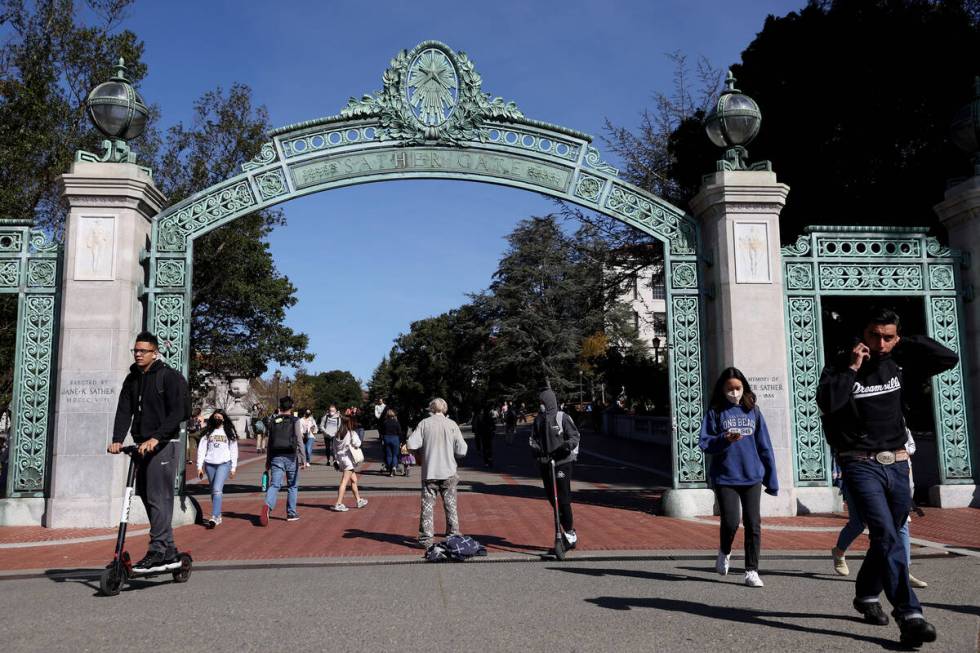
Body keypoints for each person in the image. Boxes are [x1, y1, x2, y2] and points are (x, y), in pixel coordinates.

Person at [817, 307, 956, 646]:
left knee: (888, 536)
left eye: (887, 337)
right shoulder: (841, 366)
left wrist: (902, 342)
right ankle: (910, 615)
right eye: (874, 336)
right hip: (859, 463)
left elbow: (947, 357)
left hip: (896, 462)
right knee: (884, 533)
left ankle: (866, 595)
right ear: (861, 336)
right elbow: (829, 402)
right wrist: (852, 367)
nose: (880, 343)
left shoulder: (899, 362)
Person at [109, 331, 190, 572]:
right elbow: (124, 410)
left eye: (143, 351)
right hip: (141, 444)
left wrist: (157, 437)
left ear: (155, 352)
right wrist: (116, 439)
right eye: (135, 350)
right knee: (146, 495)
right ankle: (168, 548)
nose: (138, 354)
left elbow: (180, 412)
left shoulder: (169, 377)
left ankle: (157, 549)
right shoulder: (132, 378)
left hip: (164, 444)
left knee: (158, 497)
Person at [698, 367, 778, 588]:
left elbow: (765, 446)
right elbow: (705, 442)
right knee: (731, 521)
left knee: (753, 524)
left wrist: (771, 479)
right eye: (730, 389)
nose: (734, 392)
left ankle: (751, 570)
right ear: (722, 390)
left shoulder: (753, 411)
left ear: (744, 388)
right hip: (726, 477)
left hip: (752, 476)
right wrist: (724, 438)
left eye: (738, 388)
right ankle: (724, 550)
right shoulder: (715, 411)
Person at [833, 433, 927, 588]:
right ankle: (839, 552)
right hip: (862, 476)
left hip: (893, 474)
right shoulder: (853, 421)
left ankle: (904, 570)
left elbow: (909, 448)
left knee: (901, 524)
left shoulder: (895, 419)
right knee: (859, 523)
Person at [407, 398, 467, 548]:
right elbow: (462, 450)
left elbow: (411, 444)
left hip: (430, 472)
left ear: (431, 409)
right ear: (445, 409)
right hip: (449, 471)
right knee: (451, 506)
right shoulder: (452, 424)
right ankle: (453, 535)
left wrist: (419, 454)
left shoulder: (424, 424)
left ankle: (426, 539)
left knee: (427, 507)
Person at [529, 389, 581, 551]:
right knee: (553, 499)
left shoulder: (562, 418)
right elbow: (533, 439)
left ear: (549, 402)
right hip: (546, 463)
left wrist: (565, 447)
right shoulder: (538, 420)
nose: (541, 406)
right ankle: (564, 532)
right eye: (540, 403)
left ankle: (570, 533)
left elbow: (574, 436)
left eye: (543, 403)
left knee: (563, 498)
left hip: (562, 462)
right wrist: (537, 449)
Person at [260, 396, 306, 526]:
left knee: (275, 484)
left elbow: (269, 443)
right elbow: (299, 439)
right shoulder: (295, 420)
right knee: (292, 485)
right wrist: (304, 458)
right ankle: (291, 513)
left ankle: (267, 506)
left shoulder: (274, 421)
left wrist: (268, 460)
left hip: (276, 456)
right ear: (291, 407)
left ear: (280, 407)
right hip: (291, 456)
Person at [195, 409, 238, 528]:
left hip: (224, 463)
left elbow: (234, 450)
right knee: (213, 490)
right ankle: (218, 516)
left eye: (219, 417)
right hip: (209, 464)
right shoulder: (208, 432)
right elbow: (202, 449)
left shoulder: (229, 432)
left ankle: (214, 516)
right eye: (215, 417)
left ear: (223, 418)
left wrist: (233, 467)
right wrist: (199, 466)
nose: (217, 419)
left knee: (217, 489)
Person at [331, 415, 367, 511]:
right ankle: (338, 503)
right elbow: (357, 444)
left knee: (354, 480)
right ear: (349, 423)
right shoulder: (351, 433)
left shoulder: (336, 435)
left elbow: (334, 449)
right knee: (344, 482)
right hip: (348, 461)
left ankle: (359, 500)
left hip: (341, 460)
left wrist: (335, 459)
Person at [379, 408, 403, 477]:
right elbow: (399, 432)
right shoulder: (396, 422)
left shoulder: (385, 422)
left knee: (389, 455)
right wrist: (401, 441)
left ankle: (390, 469)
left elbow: (381, 432)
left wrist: (382, 439)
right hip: (395, 439)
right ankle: (394, 467)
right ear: (394, 415)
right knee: (395, 455)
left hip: (387, 438)